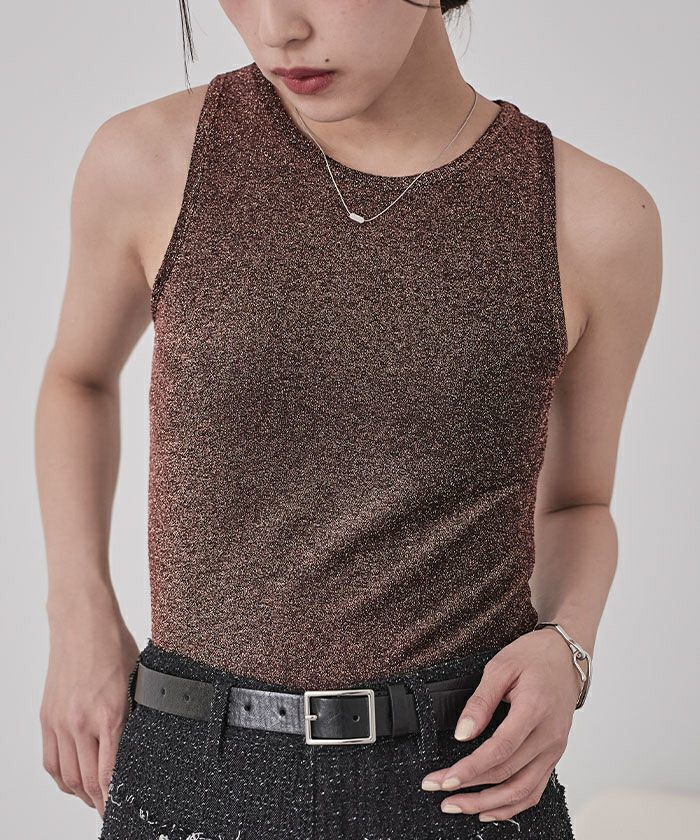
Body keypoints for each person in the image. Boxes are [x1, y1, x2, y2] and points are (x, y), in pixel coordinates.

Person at [35, 1, 662, 838]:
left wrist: (567, 646)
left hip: (462, 775)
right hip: (189, 762)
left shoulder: (594, 220)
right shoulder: (152, 161)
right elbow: (77, 378)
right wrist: (77, 612)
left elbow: (578, 502)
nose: (276, 28)